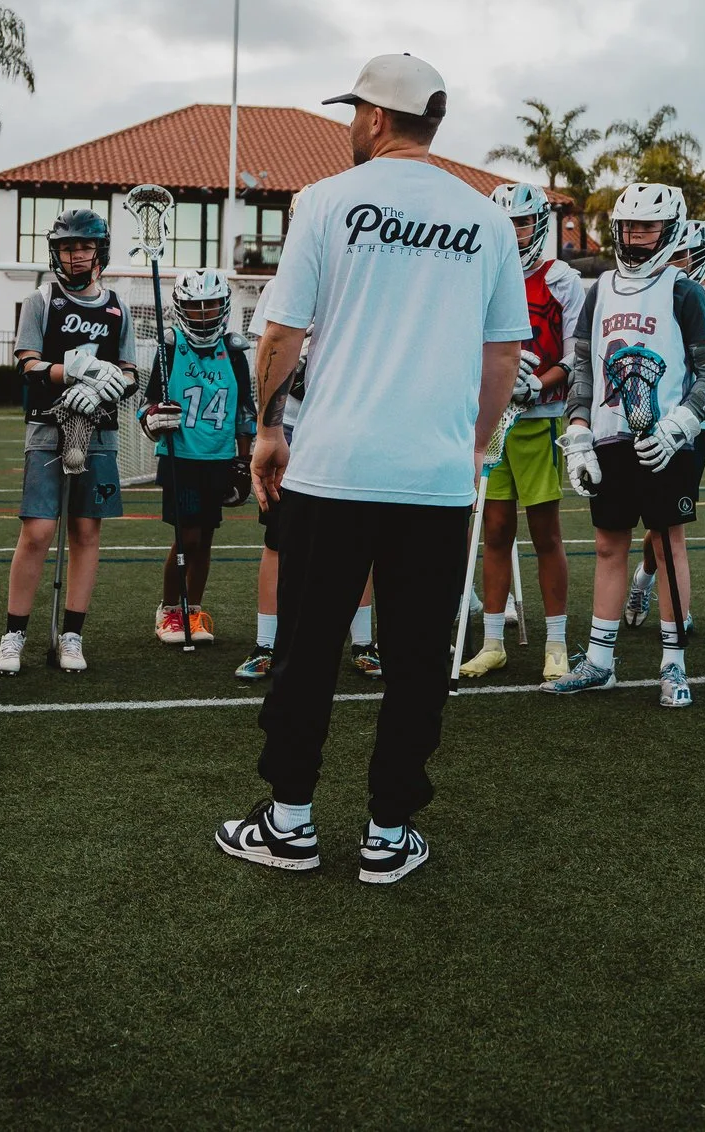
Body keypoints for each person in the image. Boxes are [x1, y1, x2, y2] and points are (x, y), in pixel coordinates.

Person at [215, 53, 528, 885]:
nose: (350, 123)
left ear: (377, 119)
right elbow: (503, 356)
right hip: (432, 479)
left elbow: (280, 335)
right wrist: (470, 445)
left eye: (355, 110)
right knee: (419, 660)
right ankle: (389, 833)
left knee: (308, 652)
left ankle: (290, 824)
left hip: (333, 469)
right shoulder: (489, 221)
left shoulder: (325, 202)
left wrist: (269, 430)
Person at [543, 182, 705, 709]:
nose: (635, 236)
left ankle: (674, 664)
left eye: (647, 227)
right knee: (608, 544)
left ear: (669, 230)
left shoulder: (683, 290)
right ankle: (600, 662)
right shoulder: (600, 289)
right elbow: (582, 365)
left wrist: (680, 427)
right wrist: (577, 428)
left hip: (665, 440)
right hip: (609, 437)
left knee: (669, 545)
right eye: (628, 226)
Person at [0, 207, 136, 674]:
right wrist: (69, 372)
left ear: (99, 250)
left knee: (85, 531)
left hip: (99, 431)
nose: (75, 256)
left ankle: (72, 634)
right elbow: (27, 364)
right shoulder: (43, 300)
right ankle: (14, 632)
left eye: (83, 247)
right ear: (55, 251)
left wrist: (115, 382)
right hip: (47, 427)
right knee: (37, 530)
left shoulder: (117, 306)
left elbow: (130, 371)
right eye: (66, 248)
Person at [459, 182, 582, 683]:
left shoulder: (562, 279)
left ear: (539, 225)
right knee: (494, 531)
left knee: (545, 533)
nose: (514, 232)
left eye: (522, 222)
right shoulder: (481, 277)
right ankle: (492, 641)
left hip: (538, 419)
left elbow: (578, 355)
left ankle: (556, 643)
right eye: (505, 223)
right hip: (493, 421)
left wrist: (538, 384)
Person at [235, 337, 383, 682]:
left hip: (346, 423)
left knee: (359, 536)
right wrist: (266, 430)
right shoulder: (280, 289)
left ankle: (362, 642)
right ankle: (266, 644)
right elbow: (267, 355)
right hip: (288, 425)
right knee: (277, 538)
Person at [624, 217, 705, 638]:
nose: (680, 260)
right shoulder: (659, 295)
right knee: (659, 521)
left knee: (672, 521)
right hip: (658, 418)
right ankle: (646, 579)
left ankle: (655, 589)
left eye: (687, 253)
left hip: (697, 424)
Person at [142, 268, 256, 646]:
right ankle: (169, 610)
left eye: (210, 306)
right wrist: (155, 418)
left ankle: (194, 612)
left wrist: (243, 462)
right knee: (186, 537)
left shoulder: (235, 351)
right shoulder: (170, 346)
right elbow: (146, 407)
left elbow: (244, 411)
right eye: (195, 307)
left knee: (205, 539)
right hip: (181, 456)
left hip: (219, 457)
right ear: (181, 308)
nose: (203, 314)